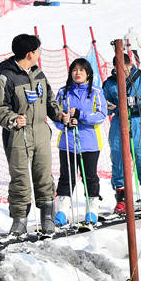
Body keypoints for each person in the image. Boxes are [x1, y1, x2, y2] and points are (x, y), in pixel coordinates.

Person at [0, 33, 66, 236]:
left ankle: (48, 218)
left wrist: (59, 115)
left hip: (41, 133)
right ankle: (19, 221)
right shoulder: (5, 78)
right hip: (18, 136)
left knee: (44, 176)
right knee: (21, 179)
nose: (39, 54)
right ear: (29, 53)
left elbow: (49, 100)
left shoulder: (39, 74)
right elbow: (0, 109)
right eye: (38, 50)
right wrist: (13, 119)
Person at [103, 49, 141, 215]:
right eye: (118, 69)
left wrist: (134, 101)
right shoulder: (110, 83)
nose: (122, 72)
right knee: (119, 159)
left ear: (130, 65)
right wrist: (108, 107)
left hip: (138, 121)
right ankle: (121, 199)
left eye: (125, 68)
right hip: (119, 122)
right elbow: (101, 104)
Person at [53, 57, 108, 225]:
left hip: (89, 142)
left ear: (88, 73)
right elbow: (55, 114)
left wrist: (81, 116)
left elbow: (101, 115)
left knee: (90, 176)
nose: (77, 73)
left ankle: (92, 211)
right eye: (74, 70)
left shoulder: (96, 92)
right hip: (68, 142)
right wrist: (65, 122)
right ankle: (62, 212)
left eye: (81, 70)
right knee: (66, 176)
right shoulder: (63, 92)